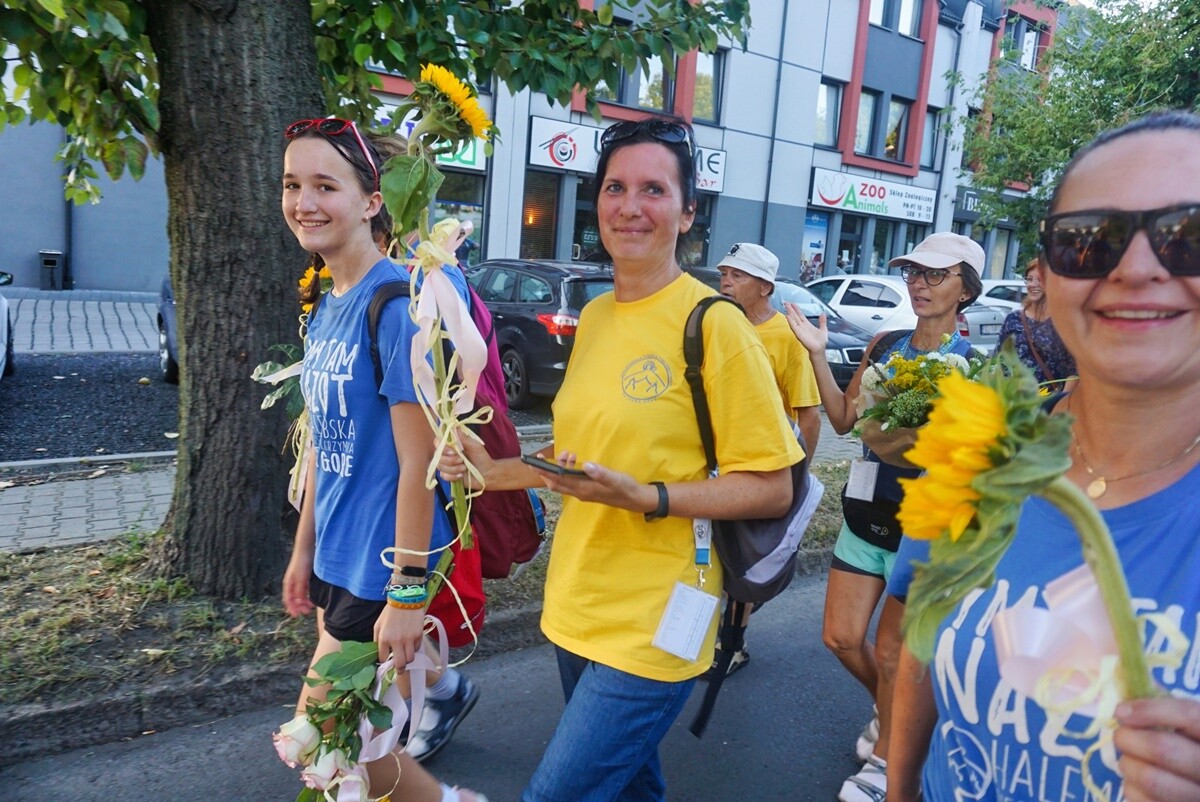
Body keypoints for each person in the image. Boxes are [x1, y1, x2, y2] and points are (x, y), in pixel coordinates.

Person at [440, 116, 803, 802]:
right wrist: (487, 472)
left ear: (688, 213)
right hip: (577, 601)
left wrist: (650, 497)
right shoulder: (599, 315)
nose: (630, 206)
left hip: (661, 617)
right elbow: (578, 457)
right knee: (630, 788)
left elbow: (772, 486)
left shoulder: (714, 325)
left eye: (654, 189)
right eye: (615, 187)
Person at [887, 111, 1200, 802]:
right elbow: (920, 650)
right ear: (1048, 273)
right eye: (1089, 240)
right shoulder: (981, 455)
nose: (1135, 269)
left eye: (1190, 236)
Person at [279, 117, 485, 802]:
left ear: (371, 201)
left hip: (382, 563)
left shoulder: (397, 305)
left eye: (324, 186)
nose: (304, 202)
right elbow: (324, 441)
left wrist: (406, 591)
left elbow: (418, 464)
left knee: (325, 744)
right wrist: (304, 550)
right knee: (356, 751)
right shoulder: (326, 304)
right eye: (293, 184)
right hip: (337, 557)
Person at [785, 232, 983, 802]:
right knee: (842, 638)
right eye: (914, 273)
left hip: (925, 525)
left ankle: (887, 764)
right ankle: (899, 714)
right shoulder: (886, 344)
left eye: (935, 275)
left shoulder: (976, 368)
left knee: (896, 652)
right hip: (867, 509)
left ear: (965, 290)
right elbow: (844, 421)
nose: (919, 283)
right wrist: (817, 353)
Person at [712, 241, 822, 676]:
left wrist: (795, 480)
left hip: (762, 468)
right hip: (714, 462)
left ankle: (732, 646)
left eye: (737, 276)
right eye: (724, 274)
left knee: (744, 561)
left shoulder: (786, 338)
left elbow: (809, 415)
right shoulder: (716, 325)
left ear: (765, 287)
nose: (726, 282)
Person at [993, 256, 1077, 391]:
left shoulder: (1064, 322)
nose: (1032, 284)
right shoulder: (1013, 319)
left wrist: (1062, 400)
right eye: (1029, 279)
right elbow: (998, 359)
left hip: (1050, 400)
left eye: (1040, 280)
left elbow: (1074, 371)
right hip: (1013, 398)